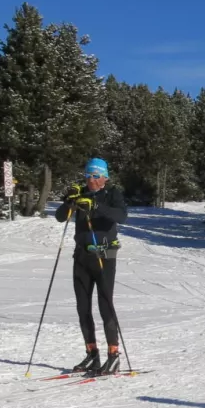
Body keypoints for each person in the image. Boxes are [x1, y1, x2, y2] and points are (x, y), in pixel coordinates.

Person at [56, 157, 129, 374]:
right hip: (81, 257)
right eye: (88, 175)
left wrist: (97, 205)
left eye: (96, 176)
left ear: (105, 177)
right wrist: (70, 201)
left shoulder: (112, 193)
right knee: (82, 307)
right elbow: (61, 217)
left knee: (105, 305)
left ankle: (113, 355)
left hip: (104, 256)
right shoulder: (81, 193)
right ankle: (92, 354)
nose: (91, 180)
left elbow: (122, 216)